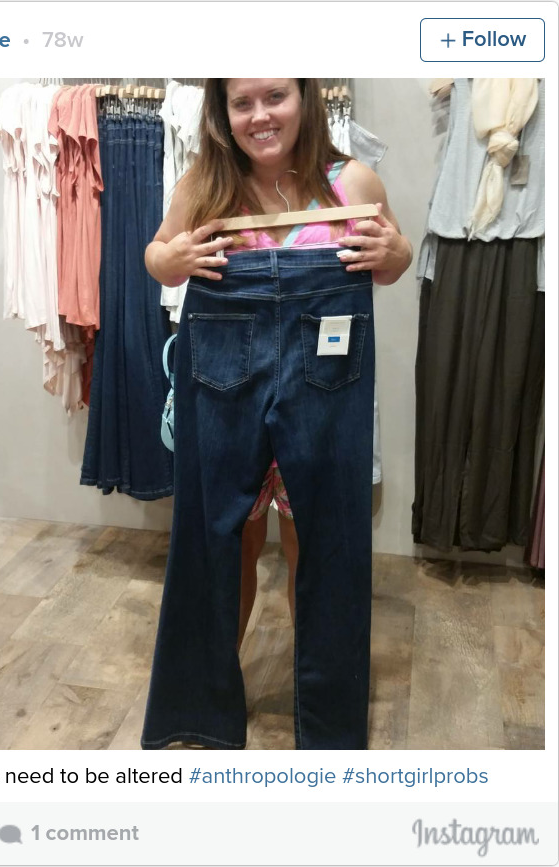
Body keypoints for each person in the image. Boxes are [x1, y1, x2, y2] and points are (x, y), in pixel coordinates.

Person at [143, 79, 412, 750]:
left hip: (326, 365)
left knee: (327, 543)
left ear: (306, 98)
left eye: (275, 96)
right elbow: (158, 253)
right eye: (242, 102)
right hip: (223, 356)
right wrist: (168, 260)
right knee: (217, 539)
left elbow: (395, 257)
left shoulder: (352, 182)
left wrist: (395, 256)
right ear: (222, 112)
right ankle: (198, 712)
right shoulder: (205, 182)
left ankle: (328, 730)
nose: (260, 115)